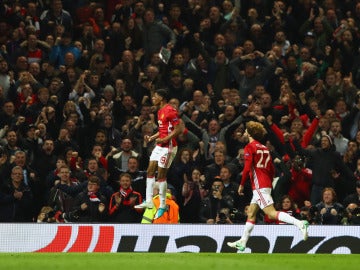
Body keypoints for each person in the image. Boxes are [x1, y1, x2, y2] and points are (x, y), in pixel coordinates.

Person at [227, 121, 309, 252]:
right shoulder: (265, 148)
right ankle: (242, 242)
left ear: (250, 133)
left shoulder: (250, 147)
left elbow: (247, 168)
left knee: (270, 214)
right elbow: (271, 169)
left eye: (246, 130)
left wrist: (241, 184)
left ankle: (299, 223)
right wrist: (268, 183)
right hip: (265, 184)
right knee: (251, 213)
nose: (245, 132)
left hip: (259, 185)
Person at [135, 88, 184, 219]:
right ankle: (149, 200)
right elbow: (163, 129)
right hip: (160, 145)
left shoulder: (170, 110)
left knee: (161, 176)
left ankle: (162, 205)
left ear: (162, 98)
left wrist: (165, 139)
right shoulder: (159, 111)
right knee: (150, 171)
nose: (153, 99)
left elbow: (179, 129)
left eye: (155, 96)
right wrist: (152, 137)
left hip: (169, 146)